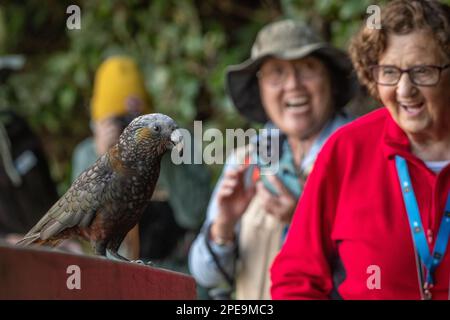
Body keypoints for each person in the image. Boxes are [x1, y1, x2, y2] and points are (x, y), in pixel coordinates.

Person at [271, 0, 450, 300]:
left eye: (422, 71)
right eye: (390, 72)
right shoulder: (348, 149)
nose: (405, 90)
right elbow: (295, 278)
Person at [188, 19, 357, 299]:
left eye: (306, 69)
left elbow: (380, 267)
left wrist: (304, 222)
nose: (293, 85)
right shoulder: (245, 160)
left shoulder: (361, 154)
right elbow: (205, 276)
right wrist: (224, 226)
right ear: (260, 89)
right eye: (276, 74)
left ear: (331, 79)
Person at [72, 56, 211, 270]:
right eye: (116, 121)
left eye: (133, 120)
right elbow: (85, 228)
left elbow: (194, 215)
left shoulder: (178, 139)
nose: (126, 129)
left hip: (177, 268)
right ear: (97, 122)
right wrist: (104, 157)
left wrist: (163, 152)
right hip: (117, 273)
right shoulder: (86, 153)